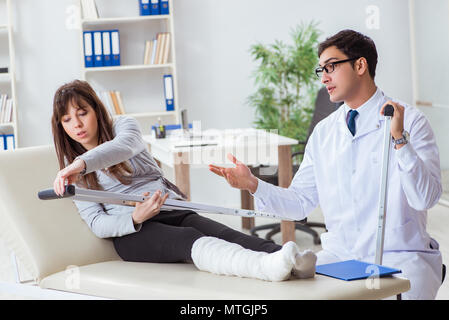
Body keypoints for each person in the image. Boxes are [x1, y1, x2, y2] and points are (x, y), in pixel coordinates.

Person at [209, 30, 443, 299]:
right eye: (321, 69)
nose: (323, 78)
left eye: (331, 66)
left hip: (400, 257)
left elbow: (426, 198)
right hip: (341, 257)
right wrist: (253, 185)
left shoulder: (410, 121)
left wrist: (400, 140)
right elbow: (300, 203)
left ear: (360, 65)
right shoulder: (324, 132)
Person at [50, 79, 317, 282]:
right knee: (190, 238)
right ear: (61, 126)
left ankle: (290, 258)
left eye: (82, 112)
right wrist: (135, 217)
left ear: (96, 109)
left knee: (223, 232)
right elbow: (97, 223)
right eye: (67, 119)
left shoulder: (123, 127)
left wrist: (80, 164)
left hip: (172, 209)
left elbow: (125, 146)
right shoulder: (72, 172)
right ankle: (265, 269)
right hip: (135, 233)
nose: (77, 124)